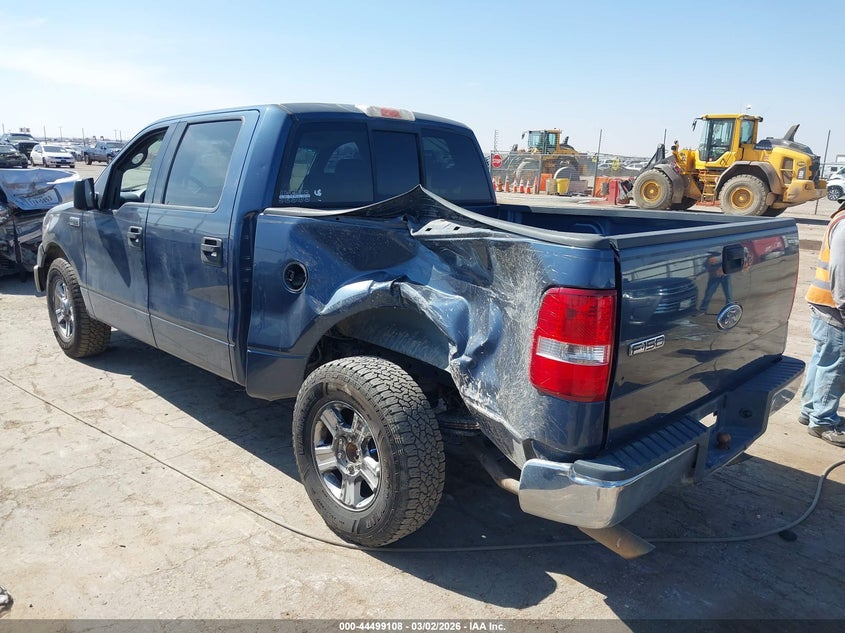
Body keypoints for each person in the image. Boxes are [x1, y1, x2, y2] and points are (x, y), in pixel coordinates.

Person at [799, 195, 845, 447]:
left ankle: (810, 411)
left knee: (823, 359)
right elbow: (842, 272)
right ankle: (823, 421)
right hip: (834, 307)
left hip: (826, 303)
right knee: (836, 365)